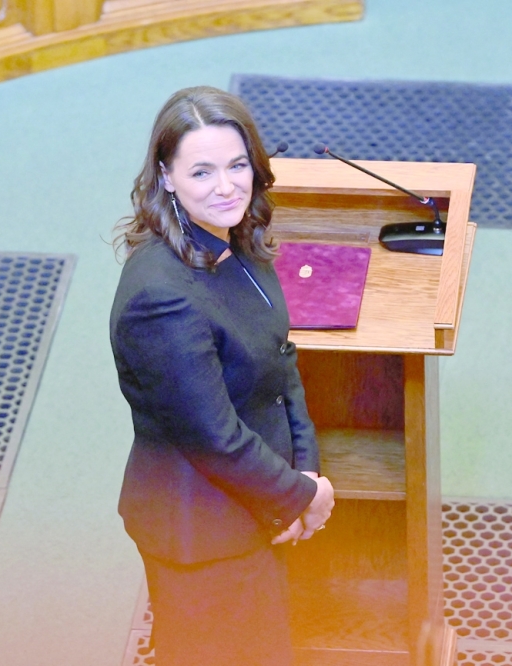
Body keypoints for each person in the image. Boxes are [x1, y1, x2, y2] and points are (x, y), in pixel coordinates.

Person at [109, 86, 336, 666]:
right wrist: (302, 497)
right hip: (201, 532)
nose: (227, 186)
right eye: (202, 171)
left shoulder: (238, 243)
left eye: (238, 166)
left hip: (253, 510)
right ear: (166, 176)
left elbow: (282, 362)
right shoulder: (161, 298)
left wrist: (305, 466)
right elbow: (213, 435)